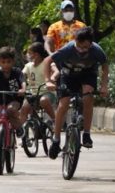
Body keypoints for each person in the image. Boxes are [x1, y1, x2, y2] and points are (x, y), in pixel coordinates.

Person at [44, 27, 108, 158]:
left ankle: (86, 134)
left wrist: (104, 85)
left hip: (88, 75)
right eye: (79, 46)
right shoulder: (68, 49)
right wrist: (48, 81)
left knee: (88, 97)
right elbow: (47, 61)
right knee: (63, 104)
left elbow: (105, 66)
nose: (81, 50)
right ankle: (56, 140)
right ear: (75, 41)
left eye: (85, 48)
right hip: (68, 75)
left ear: (91, 43)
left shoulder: (97, 50)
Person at [0, 47, 26, 165]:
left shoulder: (17, 72)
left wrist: (23, 89)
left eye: (8, 62)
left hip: (14, 99)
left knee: (11, 110)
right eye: (3, 62)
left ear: (13, 62)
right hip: (0, 101)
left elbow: (23, 82)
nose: (5, 65)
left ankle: (18, 128)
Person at [19, 42, 55, 123]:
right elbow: (21, 76)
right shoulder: (28, 66)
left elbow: (56, 72)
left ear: (36, 54)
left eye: (29, 53)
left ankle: (55, 119)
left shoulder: (46, 63)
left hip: (47, 92)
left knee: (43, 100)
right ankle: (21, 129)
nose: (27, 55)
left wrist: (52, 78)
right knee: (24, 107)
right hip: (32, 94)